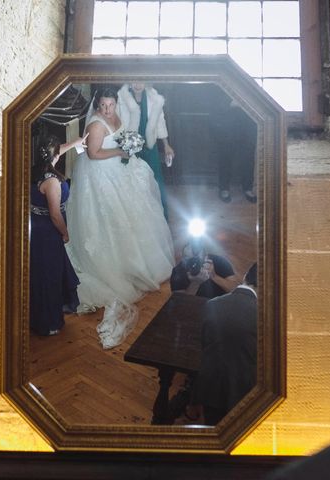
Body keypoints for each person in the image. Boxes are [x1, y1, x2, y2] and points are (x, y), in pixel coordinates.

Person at [66, 87, 175, 349]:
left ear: (115, 103)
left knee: (136, 215)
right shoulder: (95, 125)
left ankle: (140, 260)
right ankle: (118, 266)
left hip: (118, 169)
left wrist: (128, 147)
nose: (106, 110)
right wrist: (119, 153)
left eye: (110, 105)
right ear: (98, 106)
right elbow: (93, 154)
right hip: (100, 174)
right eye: (102, 106)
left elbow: (122, 135)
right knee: (111, 220)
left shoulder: (117, 115)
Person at [29, 134, 85, 336]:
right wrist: (65, 232)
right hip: (48, 232)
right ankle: (48, 322)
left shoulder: (36, 169)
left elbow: (55, 150)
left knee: (41, 272)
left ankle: (37, 316)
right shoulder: (51, 181)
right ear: (54, 155)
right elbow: (54, 214)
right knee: (49, 276)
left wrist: (75, 143)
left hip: (36, 227)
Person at [190, 262, 258, 425]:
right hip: (245, 392)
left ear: (246, 276)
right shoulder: (264, 316)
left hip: (210, 386)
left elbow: (205, 348)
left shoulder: (212, 304)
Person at [117, 82, 175, 219]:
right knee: (131, 184)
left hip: (150, 147)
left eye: (141, 79)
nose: (138, 84)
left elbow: (160, 121)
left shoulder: (154, 97)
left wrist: (166, 145)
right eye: (135, 80)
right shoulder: (121, 97)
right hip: (129, 148)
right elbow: (117, 124)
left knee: (156, 183)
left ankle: (160, 219)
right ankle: (136, 220)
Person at [213, 98, 257, 203]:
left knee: (248, 158)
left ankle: (248, 188)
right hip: (227, 124)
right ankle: (224, 189)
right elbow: (214, 98)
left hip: (248, 124)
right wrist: (229, 103)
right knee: (225, 158)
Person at [169, 242, 240, 299]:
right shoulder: (177, 271)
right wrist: (195, 283)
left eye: (196, 259)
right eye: (188, 260)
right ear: (183, 258)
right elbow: (180, 304)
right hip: (195, 310)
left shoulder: (218, 261)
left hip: (220, 305)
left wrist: (214, 276)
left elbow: (236, 291)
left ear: (206, 255)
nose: (194, 263)